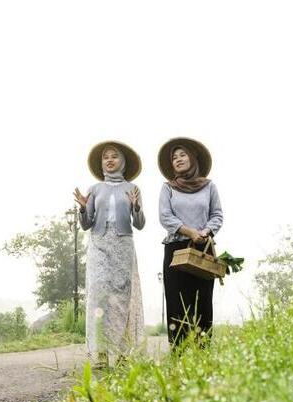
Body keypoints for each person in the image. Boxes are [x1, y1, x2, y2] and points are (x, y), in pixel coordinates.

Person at [74, 141, 145, 367]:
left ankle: (123, 354)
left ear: (122, 162)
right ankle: (101, 353)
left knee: (122, 299)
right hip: (99, 244)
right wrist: (84, 209)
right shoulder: (95, 189)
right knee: (99, 296)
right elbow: (86, 224)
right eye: (106, 157)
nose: (110, 160)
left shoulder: (132, 189)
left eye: (114, 156)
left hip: (123, 245)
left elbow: (140, 224)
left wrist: (136, 207)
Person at [158, 137, 223, 348]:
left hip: (202, 247)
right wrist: (189, 231)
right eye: (174, 157)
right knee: (177, 301)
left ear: (193, 158)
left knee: (202, 301)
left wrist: (203, 232)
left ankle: (202, 352)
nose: (177, 159)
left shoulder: (209, 187)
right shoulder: (168, 188)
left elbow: (217, 215)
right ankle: (178, 353)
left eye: (182, 155)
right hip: (176, 247)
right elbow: (165, 216)